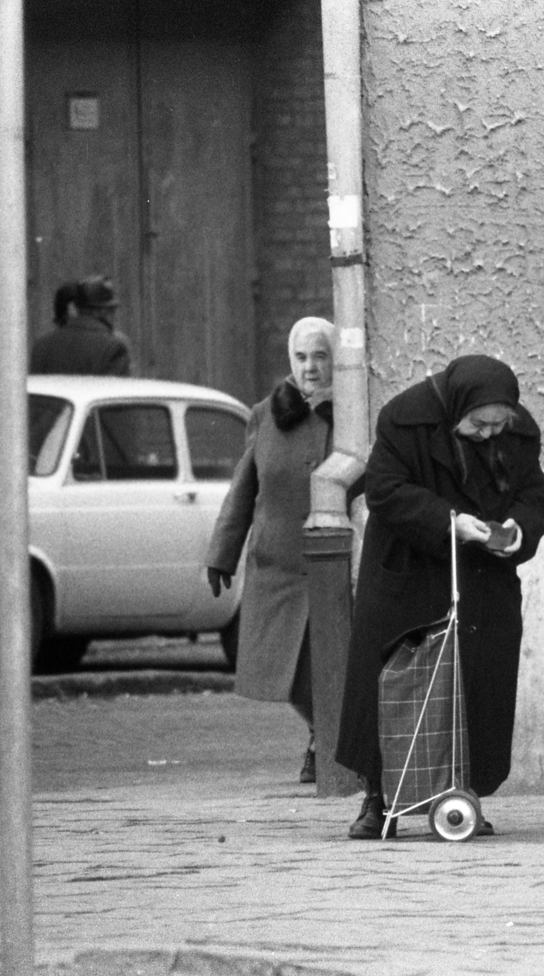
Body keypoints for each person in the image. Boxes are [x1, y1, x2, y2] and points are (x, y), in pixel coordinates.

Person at [336, 355, 544, 839]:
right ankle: (378, 799)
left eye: (500, 425)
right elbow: (386, 492)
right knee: (395, 683)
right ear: (458, 407)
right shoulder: (403, 417)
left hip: (482, 577)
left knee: (478, 683)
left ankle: (463, 796)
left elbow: (535, 494)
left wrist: (521, 526)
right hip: (409, 573)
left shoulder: (516, 432)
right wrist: (448, 521)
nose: (489, 435)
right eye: (479, 425)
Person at [203, 317, 340, 784]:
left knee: (326, 663)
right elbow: (244, 487)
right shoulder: (266, 414)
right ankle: (321, 732)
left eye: (320, 356)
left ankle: (328, 742)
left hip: (332, 563)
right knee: (285, 672)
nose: (311, 367)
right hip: (276, 563)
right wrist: (222, 550)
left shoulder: (352, 415)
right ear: (290, 360)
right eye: (302, 357)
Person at [31, 274, 132, 376]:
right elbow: (116, 390)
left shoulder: (41, 345)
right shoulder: (114, 347)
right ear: (102, 311)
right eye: (111, 310)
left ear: (78, 307)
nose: (113, 315)